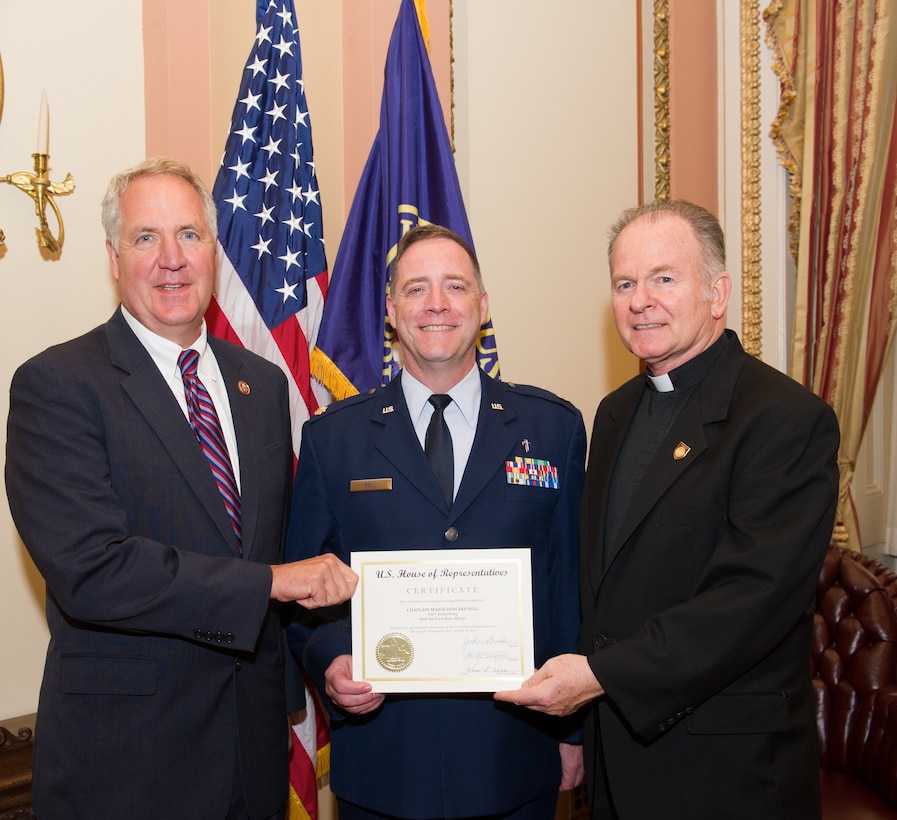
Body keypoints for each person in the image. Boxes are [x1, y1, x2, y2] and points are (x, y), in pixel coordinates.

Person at [4, 157, 357, 820]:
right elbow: (93, 570)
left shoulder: (260, 384)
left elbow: (268, 540)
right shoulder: (58, 386)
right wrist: (274, 583)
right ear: (113, 257)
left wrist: (303, 679)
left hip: (253, 755)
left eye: (189, 235)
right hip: (126, 765)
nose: (171, 258)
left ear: (216, 251)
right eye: (146, 238)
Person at [495, 200, 840, 819]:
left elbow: (751, 600)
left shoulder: (785, 419)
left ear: (717, 292)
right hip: (615, 757)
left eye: (664, 278)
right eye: (625, 284)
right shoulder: (615, 412)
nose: (639, 300)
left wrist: (600, 675)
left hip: (724, 770)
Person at [285, 224, 587, 820]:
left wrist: (573, 732)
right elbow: (302, 595)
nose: (437, 304)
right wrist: (331, 660)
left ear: (483, 304)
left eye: (455, 286)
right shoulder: (333, 440)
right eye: (417, 288)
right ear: (392, 310)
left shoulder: (553, 428)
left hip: (515, 757)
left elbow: (571, 586)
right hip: (384, 763)